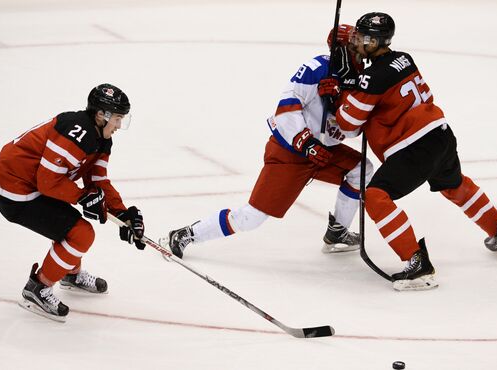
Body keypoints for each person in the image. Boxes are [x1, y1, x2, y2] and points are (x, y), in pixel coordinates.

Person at [334, 12, 497, 291]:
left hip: (414, 146)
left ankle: (417, 263)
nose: (356, 41)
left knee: (375, 196)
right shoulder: (404, 59)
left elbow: (348, 124)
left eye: (361, 37)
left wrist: (343, 89)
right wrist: (357, 80)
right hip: (440, 134)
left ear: (374, 41)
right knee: (455, 185)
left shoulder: (372, 76)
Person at [160, 25, 373, 259]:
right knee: (251, 217)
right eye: (355, 43)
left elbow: (352, 129)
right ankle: (186, 234)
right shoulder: (317, 68)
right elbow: (286, 108)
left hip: (324, 151)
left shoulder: (359, 77)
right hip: (291, 153)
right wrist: (306, 142)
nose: (361, 48)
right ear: (341, 48)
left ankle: (337, 233)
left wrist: (336, 102)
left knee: (361, 169)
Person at [0, 83, 146, 321]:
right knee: (81, 234)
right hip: (15, 191)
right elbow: (47, 181)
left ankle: (69, 273)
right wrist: (82, 197)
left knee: (73, 227)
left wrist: (123, 213)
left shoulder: (101, 139)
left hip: (34, 185)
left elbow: (97, 178)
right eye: (117, 119)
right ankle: (38, 287)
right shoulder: (76, 131)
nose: (118, 126)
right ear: (100, 115)